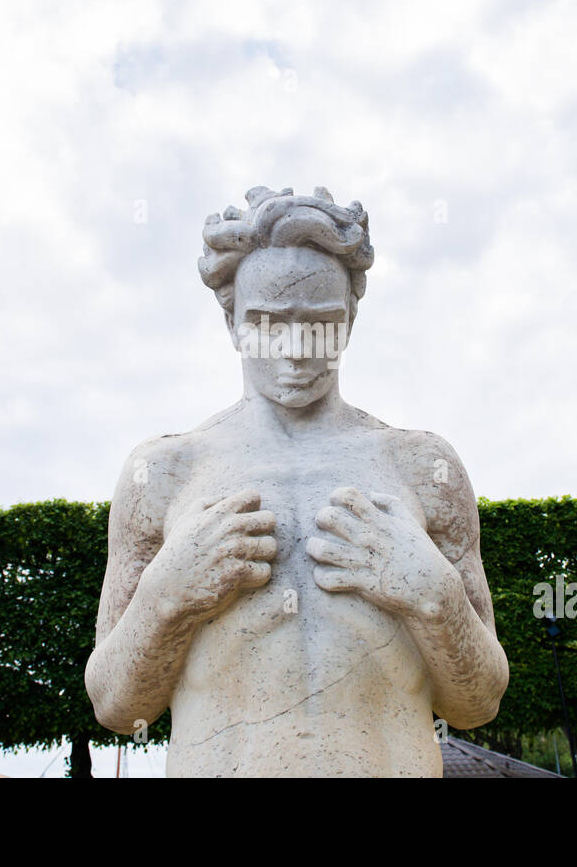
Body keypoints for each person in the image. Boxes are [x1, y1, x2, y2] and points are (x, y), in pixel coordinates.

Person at [84, 186, 508, 776]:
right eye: (266, 323)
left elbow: (478, 702)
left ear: (352, 319)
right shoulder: (162, 474)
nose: (295, 351)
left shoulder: (421, 466)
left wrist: (432, 595)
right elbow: (115, 704)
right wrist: (165, 600)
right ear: (231, 320)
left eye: (322, 324)